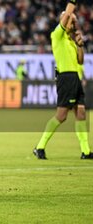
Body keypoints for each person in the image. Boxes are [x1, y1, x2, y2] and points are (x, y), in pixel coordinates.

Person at [33, 0, 92, 160]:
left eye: (75, 20)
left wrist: (80, 45)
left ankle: (86, 151)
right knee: (61, 116)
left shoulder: (71, 42)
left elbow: (80, 61)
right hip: (66, 78)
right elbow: (67, 15)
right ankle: (39, 147)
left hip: (75, 78)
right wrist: (72, 3)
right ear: (64, 21)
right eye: (72, 20)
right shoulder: (57, 35)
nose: (74, 22)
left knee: (81, 114)